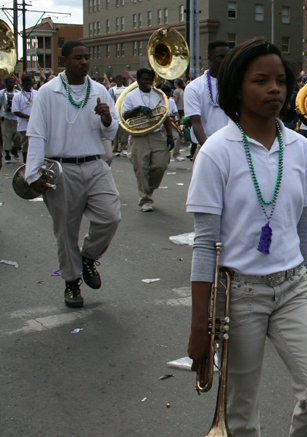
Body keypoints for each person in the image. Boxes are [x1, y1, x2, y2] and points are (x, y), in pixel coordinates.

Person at [187, 37, 307, 434]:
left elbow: (306, 230)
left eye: (280, 81)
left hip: (293, 289)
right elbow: (205, 244)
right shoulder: (216, 152)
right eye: (261, 80)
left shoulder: (302, 148)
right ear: (237, 86)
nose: (274, 89)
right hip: (239, 295)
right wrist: (199, 327)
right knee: (240, 411)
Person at [25, 40, 121, 308]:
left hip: (94, 163)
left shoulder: (99, 89)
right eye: (78, 58)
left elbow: (112, 132)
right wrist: (33, 175)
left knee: (110, 216)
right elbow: (36, 134)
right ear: (64, 61)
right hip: (61, 168)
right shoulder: (48, 92)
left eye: (87, 57)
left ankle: (88, 257)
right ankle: (71, 282)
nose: (84, 62)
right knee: (66, 231)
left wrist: (106, 119)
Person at [121, 68, 174, 212]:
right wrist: (138, 109)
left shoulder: (159, 95)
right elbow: (125, 116)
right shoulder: (131, 96)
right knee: (142, 168)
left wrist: (170, 135)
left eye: (151, 79)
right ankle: (145, 199)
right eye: (145, 79)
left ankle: (147, 189)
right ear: (138, 80)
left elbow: (165, 116)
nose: (149, 82)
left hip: (157, 134)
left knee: (161, 165)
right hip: (139, 136)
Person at [184, 40, 231, 154]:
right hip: (207, 148)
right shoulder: (194, 87)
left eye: (228, 57)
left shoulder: (237, 84)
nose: (225, 61)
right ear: (209, 58)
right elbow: (196, 123)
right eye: (220, 57)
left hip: (234, 147)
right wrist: (209, 151)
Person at [12, 76, 37, 163]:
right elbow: (15, 111)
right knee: (25, 143)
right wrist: (29, 117)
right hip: (24, 124)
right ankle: (25, 161)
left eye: (30, 85)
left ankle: (34, 160)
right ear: (22, 85)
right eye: (27, 85)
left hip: (35, 123)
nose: (29, 87)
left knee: (34, 143)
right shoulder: (17, 96)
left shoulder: (36, 93)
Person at [0, 77, 21, 162]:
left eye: (13, 83)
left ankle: (14, 149)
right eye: (10, 83)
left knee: (18, 136)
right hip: (6, 118)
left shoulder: (18, 93)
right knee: (6, 136)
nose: (11, 85)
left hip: (16, 118)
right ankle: (7, 154)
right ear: (6, 83)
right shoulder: (2, 93)